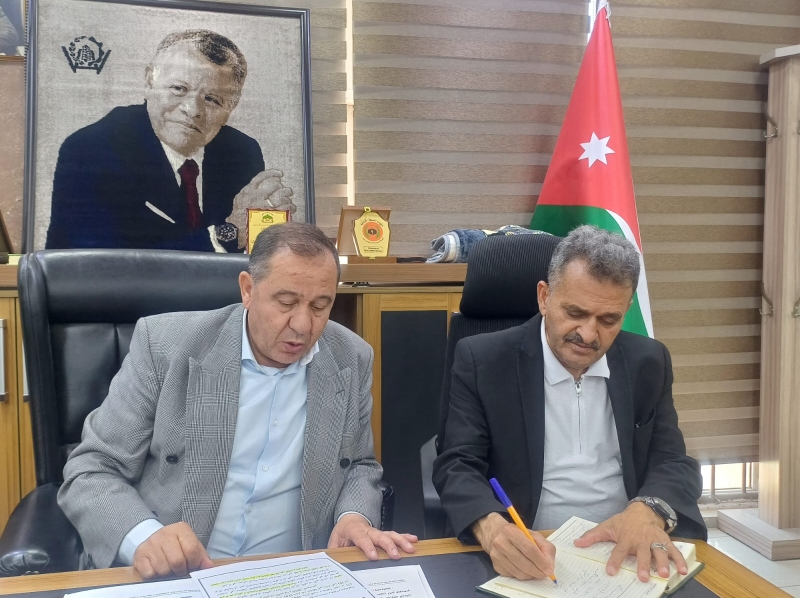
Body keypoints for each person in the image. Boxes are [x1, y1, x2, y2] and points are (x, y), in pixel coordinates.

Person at [58, 222, 417, 578]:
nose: (303, 325)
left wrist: (353, 517)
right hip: (179, 575)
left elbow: (359, 465)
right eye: (287, 302)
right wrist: (145, 538)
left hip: (294, 574)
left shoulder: (351, 358)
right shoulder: (164, 345)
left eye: (320, 306)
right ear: (247, 289)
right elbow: (92, 470)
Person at [432, 225, 705, 584]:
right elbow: (457, 465)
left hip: (624, 549)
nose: (588, 334)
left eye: (608, 319)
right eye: (575, 312)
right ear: (544, 297)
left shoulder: (648, 361)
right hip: (530, 547)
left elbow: (673, 461)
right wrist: (491, 527)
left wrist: (648, 510)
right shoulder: (484, 360)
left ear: (626, 309)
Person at [45, 29, 295, 252]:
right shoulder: (92, 150)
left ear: (231, 106)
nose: (193, 110)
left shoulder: (241, 152)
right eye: (179, 89)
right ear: (150, 82)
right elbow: (103, 266)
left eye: (212, 99)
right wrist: (227, 234)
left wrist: (269, 226)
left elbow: (255, 258)